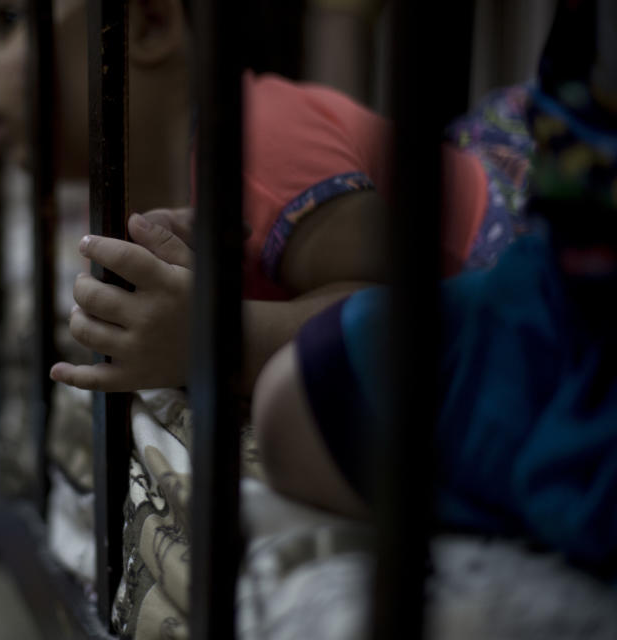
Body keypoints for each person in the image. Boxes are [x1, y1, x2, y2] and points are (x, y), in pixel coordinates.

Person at [0, 0, 528, 395]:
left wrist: (223, 338)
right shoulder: (168, 184)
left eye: (7, 21)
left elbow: (403, 297)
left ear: (148, 22)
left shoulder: (256, 147)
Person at [252, 0, 617, 578]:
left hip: (551, 245)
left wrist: (209, 329)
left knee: (294, 405)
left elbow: (398, 271)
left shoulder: (259, 125)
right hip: (553, 243)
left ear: (153, 22)